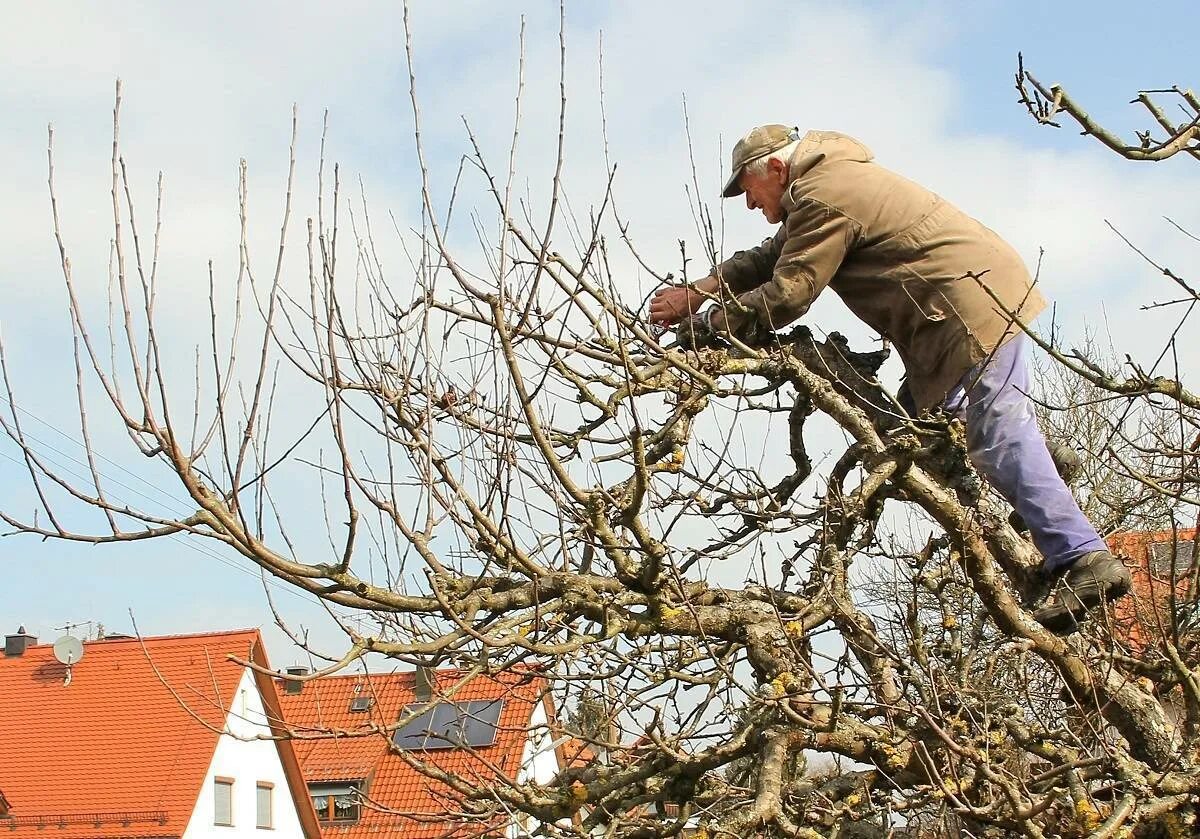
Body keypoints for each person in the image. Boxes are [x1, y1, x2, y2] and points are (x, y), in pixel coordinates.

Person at [648, 125, 1129, 634]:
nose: (747, 204)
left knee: (996, 436)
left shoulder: (824, 195)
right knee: (914, 424)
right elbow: (768, 259)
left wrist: (707, 325)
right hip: (955, 305)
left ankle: (1083, 557)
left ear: (775, 168)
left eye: (745, 189)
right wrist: (699, 291)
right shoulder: (822, 186)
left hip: (965, 306)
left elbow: (789, 294)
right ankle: (1046, 465)